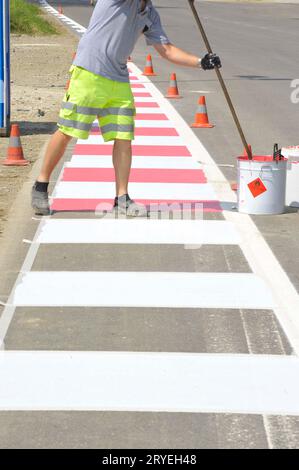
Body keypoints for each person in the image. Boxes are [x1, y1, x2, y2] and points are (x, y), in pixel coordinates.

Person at [31, 0, 221, 217]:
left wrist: (201, 62)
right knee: (67, 130)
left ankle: (122, 197)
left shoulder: (150, 13)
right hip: (89, 72)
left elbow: (166, 50)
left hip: (118, 79)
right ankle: (40, 186)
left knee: (124, 137)